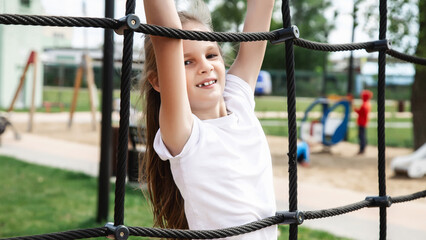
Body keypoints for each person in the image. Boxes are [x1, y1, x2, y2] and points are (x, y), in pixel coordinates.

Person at [141, 0, 276, 239]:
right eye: (187, 62)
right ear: (159, 81)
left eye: (212, 54)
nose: (206, 67)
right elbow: (166, 38)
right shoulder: (185, 132)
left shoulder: (238, 101)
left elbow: (262, 6)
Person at [354, 90, 373, 154]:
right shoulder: (368, 104)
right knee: (363, 135)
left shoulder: (364, 105)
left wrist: (354, 108)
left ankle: (362, 149)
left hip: (362, 122)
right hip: (364, 122)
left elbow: (360, 112)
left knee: (361, 136)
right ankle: (363, 148)